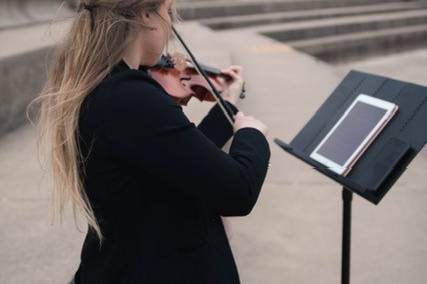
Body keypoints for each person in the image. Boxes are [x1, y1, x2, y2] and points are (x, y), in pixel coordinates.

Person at [29, 0, 270, 283]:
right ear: (146, 14)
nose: (171, 27)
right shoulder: (129, 98)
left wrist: (226, 105)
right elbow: (237, 190)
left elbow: (179, 158)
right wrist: (251, 133)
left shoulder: (111, 85)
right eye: (169, 12)